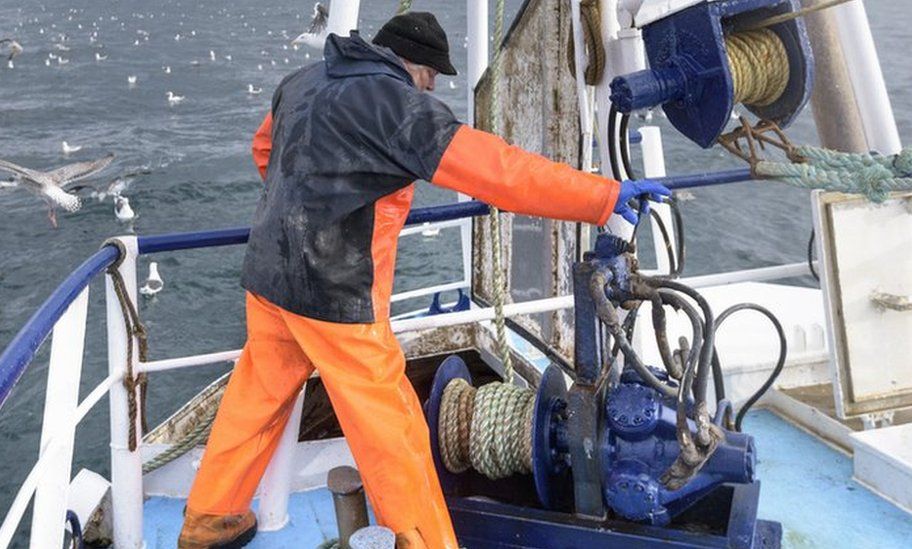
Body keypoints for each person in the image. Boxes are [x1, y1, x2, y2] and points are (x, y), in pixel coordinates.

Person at [178, 11, 669, 549]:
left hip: (270, 276)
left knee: (256, 394)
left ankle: (208, 517)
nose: (434, 87)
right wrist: (601, 198)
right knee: (390, 427)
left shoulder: (303, 81)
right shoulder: (398, 108)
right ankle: (422, 540)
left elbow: (265, 152)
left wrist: (308, 211)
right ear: (414, 67)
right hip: (335, 294)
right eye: (433, 76)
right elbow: (498, 171)